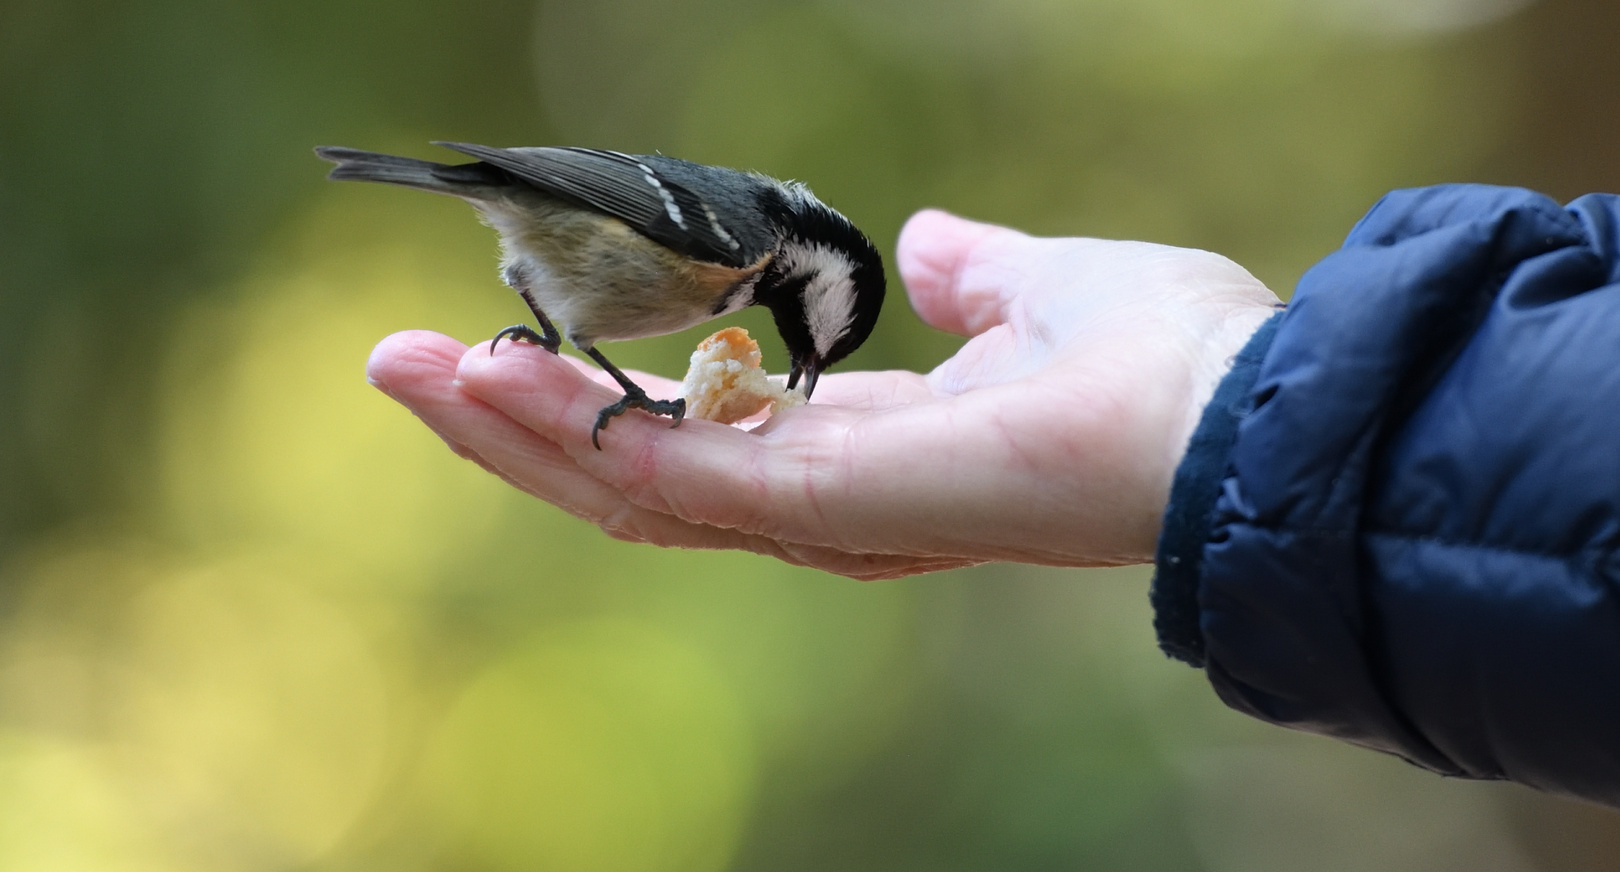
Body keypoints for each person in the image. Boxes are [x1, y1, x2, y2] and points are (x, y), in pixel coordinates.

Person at [367, 184, 1620, 808]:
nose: (802, 354)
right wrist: (1223, 412)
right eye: (813, 337)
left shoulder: (757, 255)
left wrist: (1211, 406)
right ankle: (540, 340)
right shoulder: (739, 233)